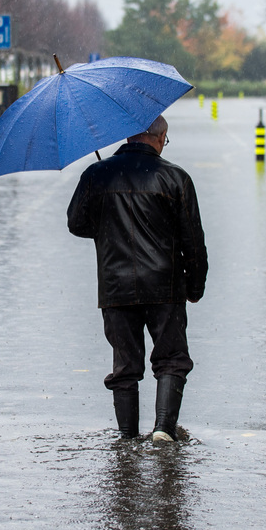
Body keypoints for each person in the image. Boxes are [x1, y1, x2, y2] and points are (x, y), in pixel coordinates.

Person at [66, 115, 207, 442]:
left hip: (116, 288)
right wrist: (195, 287)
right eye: (165, 139)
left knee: (125, 366)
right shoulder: (175, 178)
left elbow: (76, 223)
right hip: (165, 287)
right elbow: (192, 241)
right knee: (171, 360)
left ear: (128, 136)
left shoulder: (96, 175)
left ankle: (127, 438)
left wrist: (108, 228)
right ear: (159, 138)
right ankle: (163, 430)